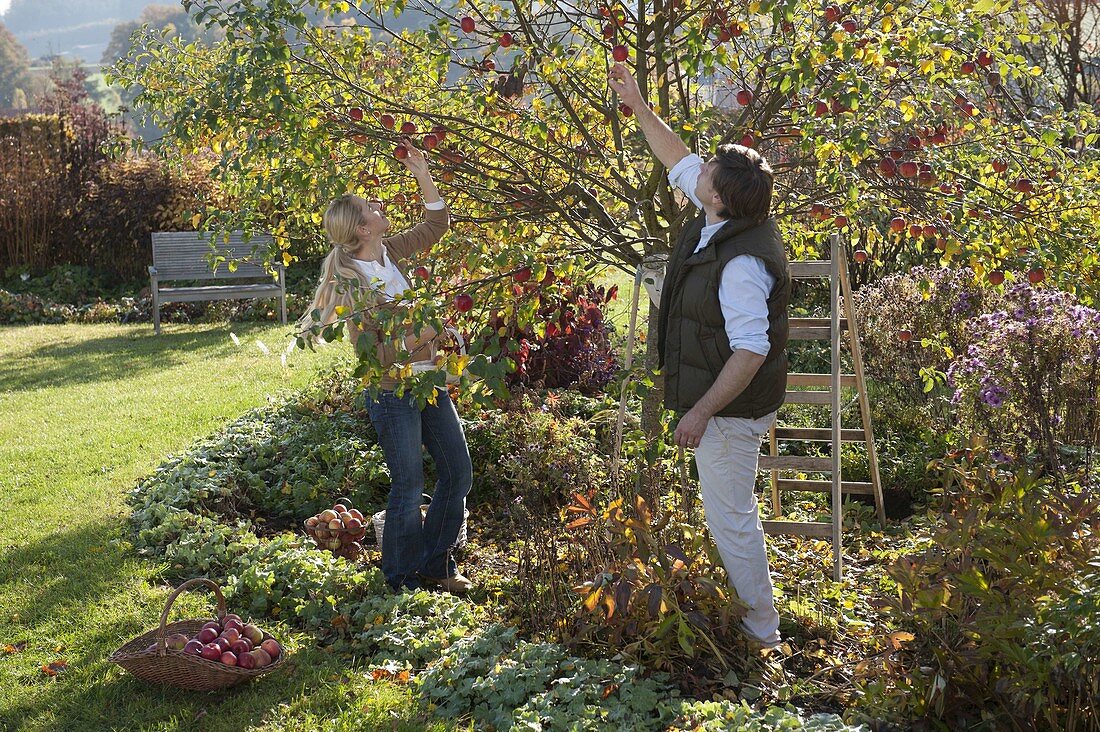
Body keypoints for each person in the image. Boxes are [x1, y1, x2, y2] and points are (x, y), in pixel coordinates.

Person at [609, 64, 792, 647]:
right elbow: (677, 157)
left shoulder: (741, 264)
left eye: (707, 170)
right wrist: (637, 104)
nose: (698, 169)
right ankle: (751, 619)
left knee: (732, 520)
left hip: (731, 411)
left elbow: (750, 352)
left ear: (717, 195)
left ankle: (760, 634)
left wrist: (701, 412)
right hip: (722, 404)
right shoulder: (723, 220)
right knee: (731, 514)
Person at [297, 138, 474, 595]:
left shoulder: (388, 253)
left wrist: (422, 171)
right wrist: (431, 330)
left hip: (426, 382)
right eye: (370, 207)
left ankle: (435, 565)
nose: (379, 206)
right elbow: (376, 354)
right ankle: (399, 581)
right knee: (409, 487)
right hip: (391, 391)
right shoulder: (351, 284)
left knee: (458, 471)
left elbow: (436, 224)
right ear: (361, 229)